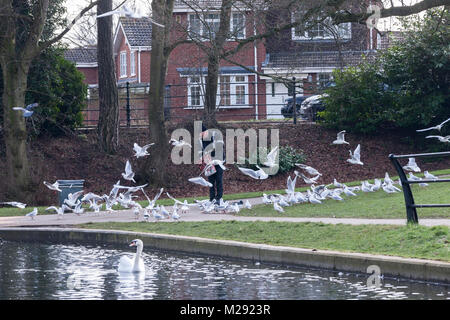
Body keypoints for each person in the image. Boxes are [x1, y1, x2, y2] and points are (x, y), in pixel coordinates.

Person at [200, 124, 224, 202]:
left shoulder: (214, 135)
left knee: (218, 180)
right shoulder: (201, 140)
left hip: (218, 162)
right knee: (211, 182)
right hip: (209, 164)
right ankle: (212, 198)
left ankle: (219, 198)